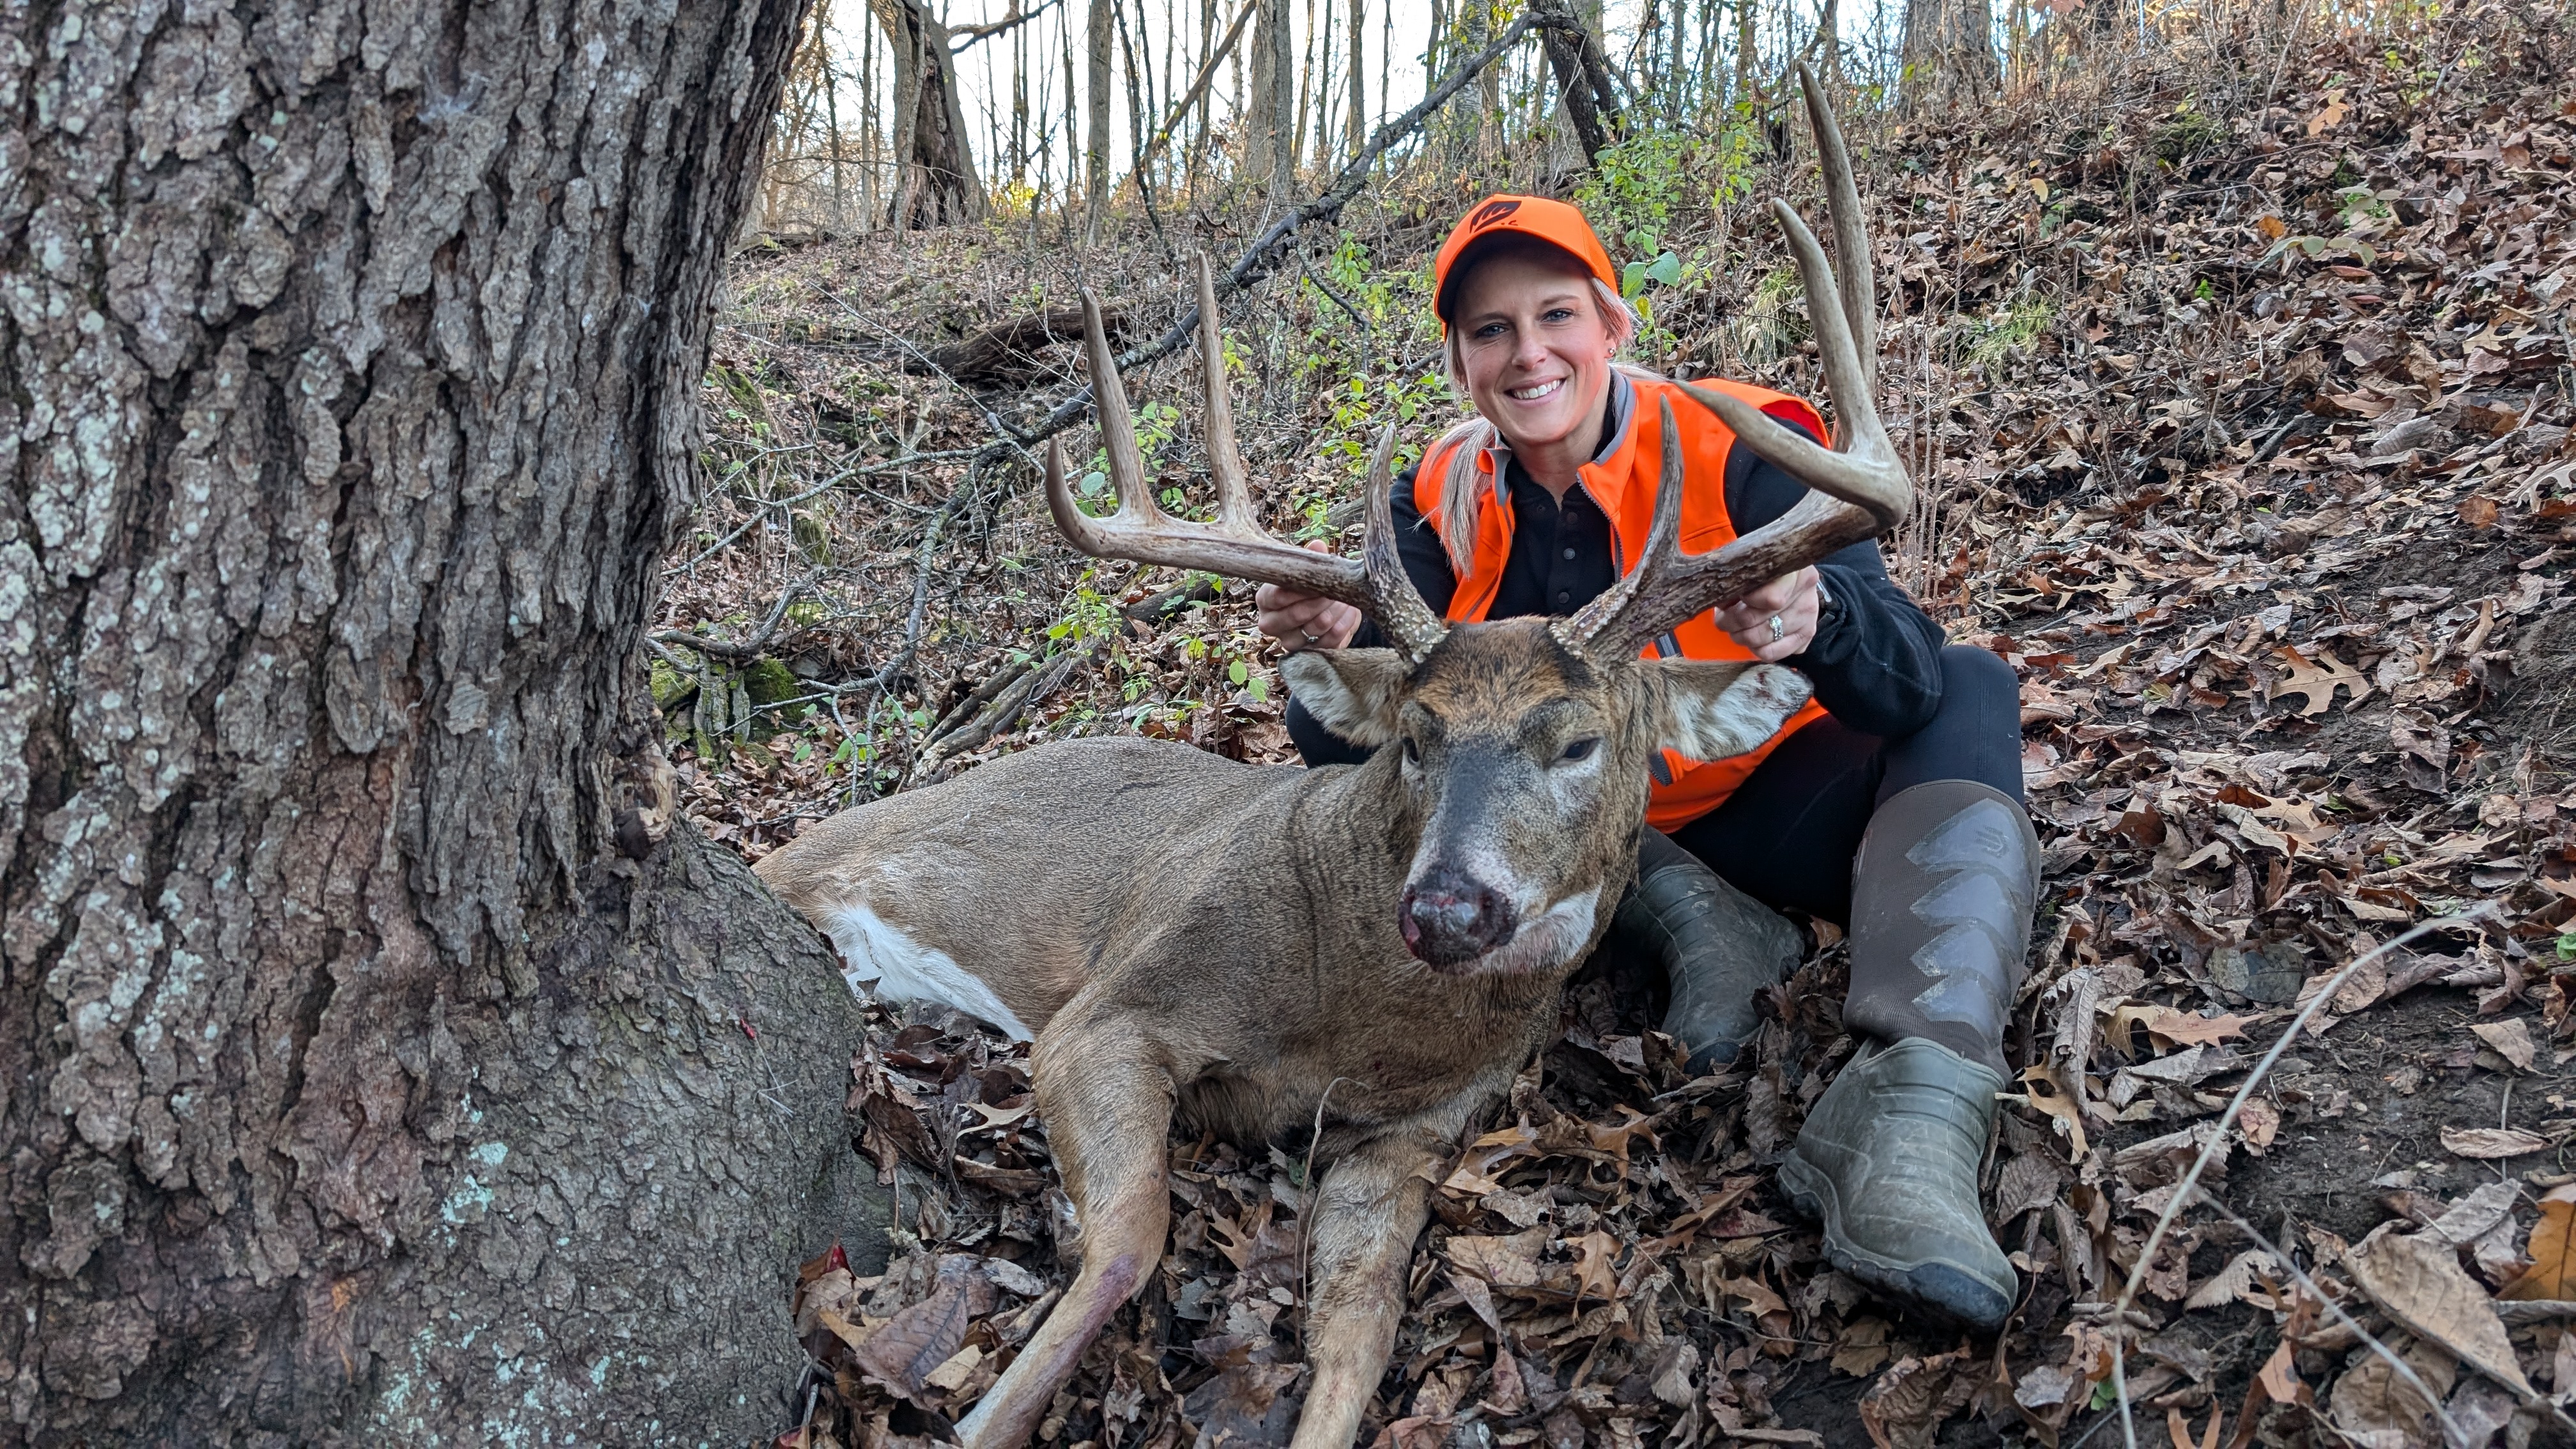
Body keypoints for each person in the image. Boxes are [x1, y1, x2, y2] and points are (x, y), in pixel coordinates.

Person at [1254, 195, 2039, 1333]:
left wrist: (1818, 616)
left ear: (1612, 326)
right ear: (1461, 362)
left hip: (1773, 800)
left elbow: (1908, 679)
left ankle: (1917, 1106)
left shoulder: (1745, 448)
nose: (1528, 354)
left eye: (1556, 314)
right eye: (1490, 330)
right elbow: (1364, 755)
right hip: (1587, 852)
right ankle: (1695, 919)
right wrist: (1343, 644)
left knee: (1972, 688)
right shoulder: (1436, 499)